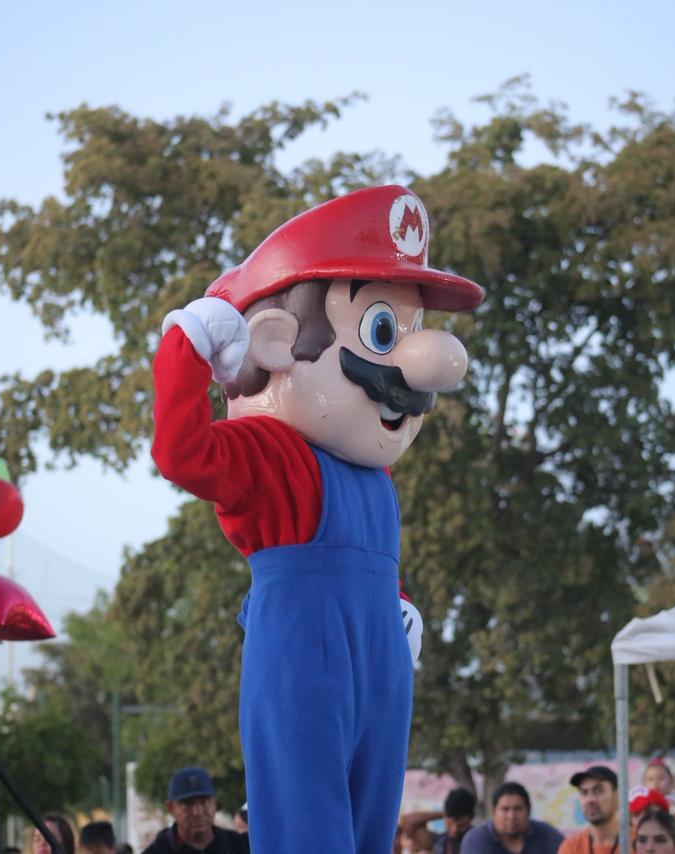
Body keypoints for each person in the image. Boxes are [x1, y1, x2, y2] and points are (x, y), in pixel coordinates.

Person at [151, 185, 483, 854]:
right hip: (305, 647)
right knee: (308, 823)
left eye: (409, 330)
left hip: (380, 655)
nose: (421, 368)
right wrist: (188, 344)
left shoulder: (376, 479)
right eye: (383, 331)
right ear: (277, 343)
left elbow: (371, 559)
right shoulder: (277, 455)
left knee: (370, 823)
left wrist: (397, 606)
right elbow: (181, 452)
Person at [140, 766, 250, 854]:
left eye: (205, 802)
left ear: (215, 803)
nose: (197, 812)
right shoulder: (158, 850)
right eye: (187, 803)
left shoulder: (241, 846)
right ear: (170, 807)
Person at [461, 782, 564, 854]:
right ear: (493, 812)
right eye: (505, 809)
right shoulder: (476, 840)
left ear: (529, 811)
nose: (511, 816)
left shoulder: (548, 835)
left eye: (518, 809)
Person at [559, 765, 620, 854]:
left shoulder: (638, 842)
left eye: (599, 791)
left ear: (617, 796)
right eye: (584, 792)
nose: (590, 799)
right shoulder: (571, 848)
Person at [437, 788, 480, 854]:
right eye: (450, 824)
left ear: (472, 817)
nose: (454, 830)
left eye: (461, 826)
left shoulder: (479, 841)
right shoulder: (439, 841)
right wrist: (442, 814)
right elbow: (417, 821)